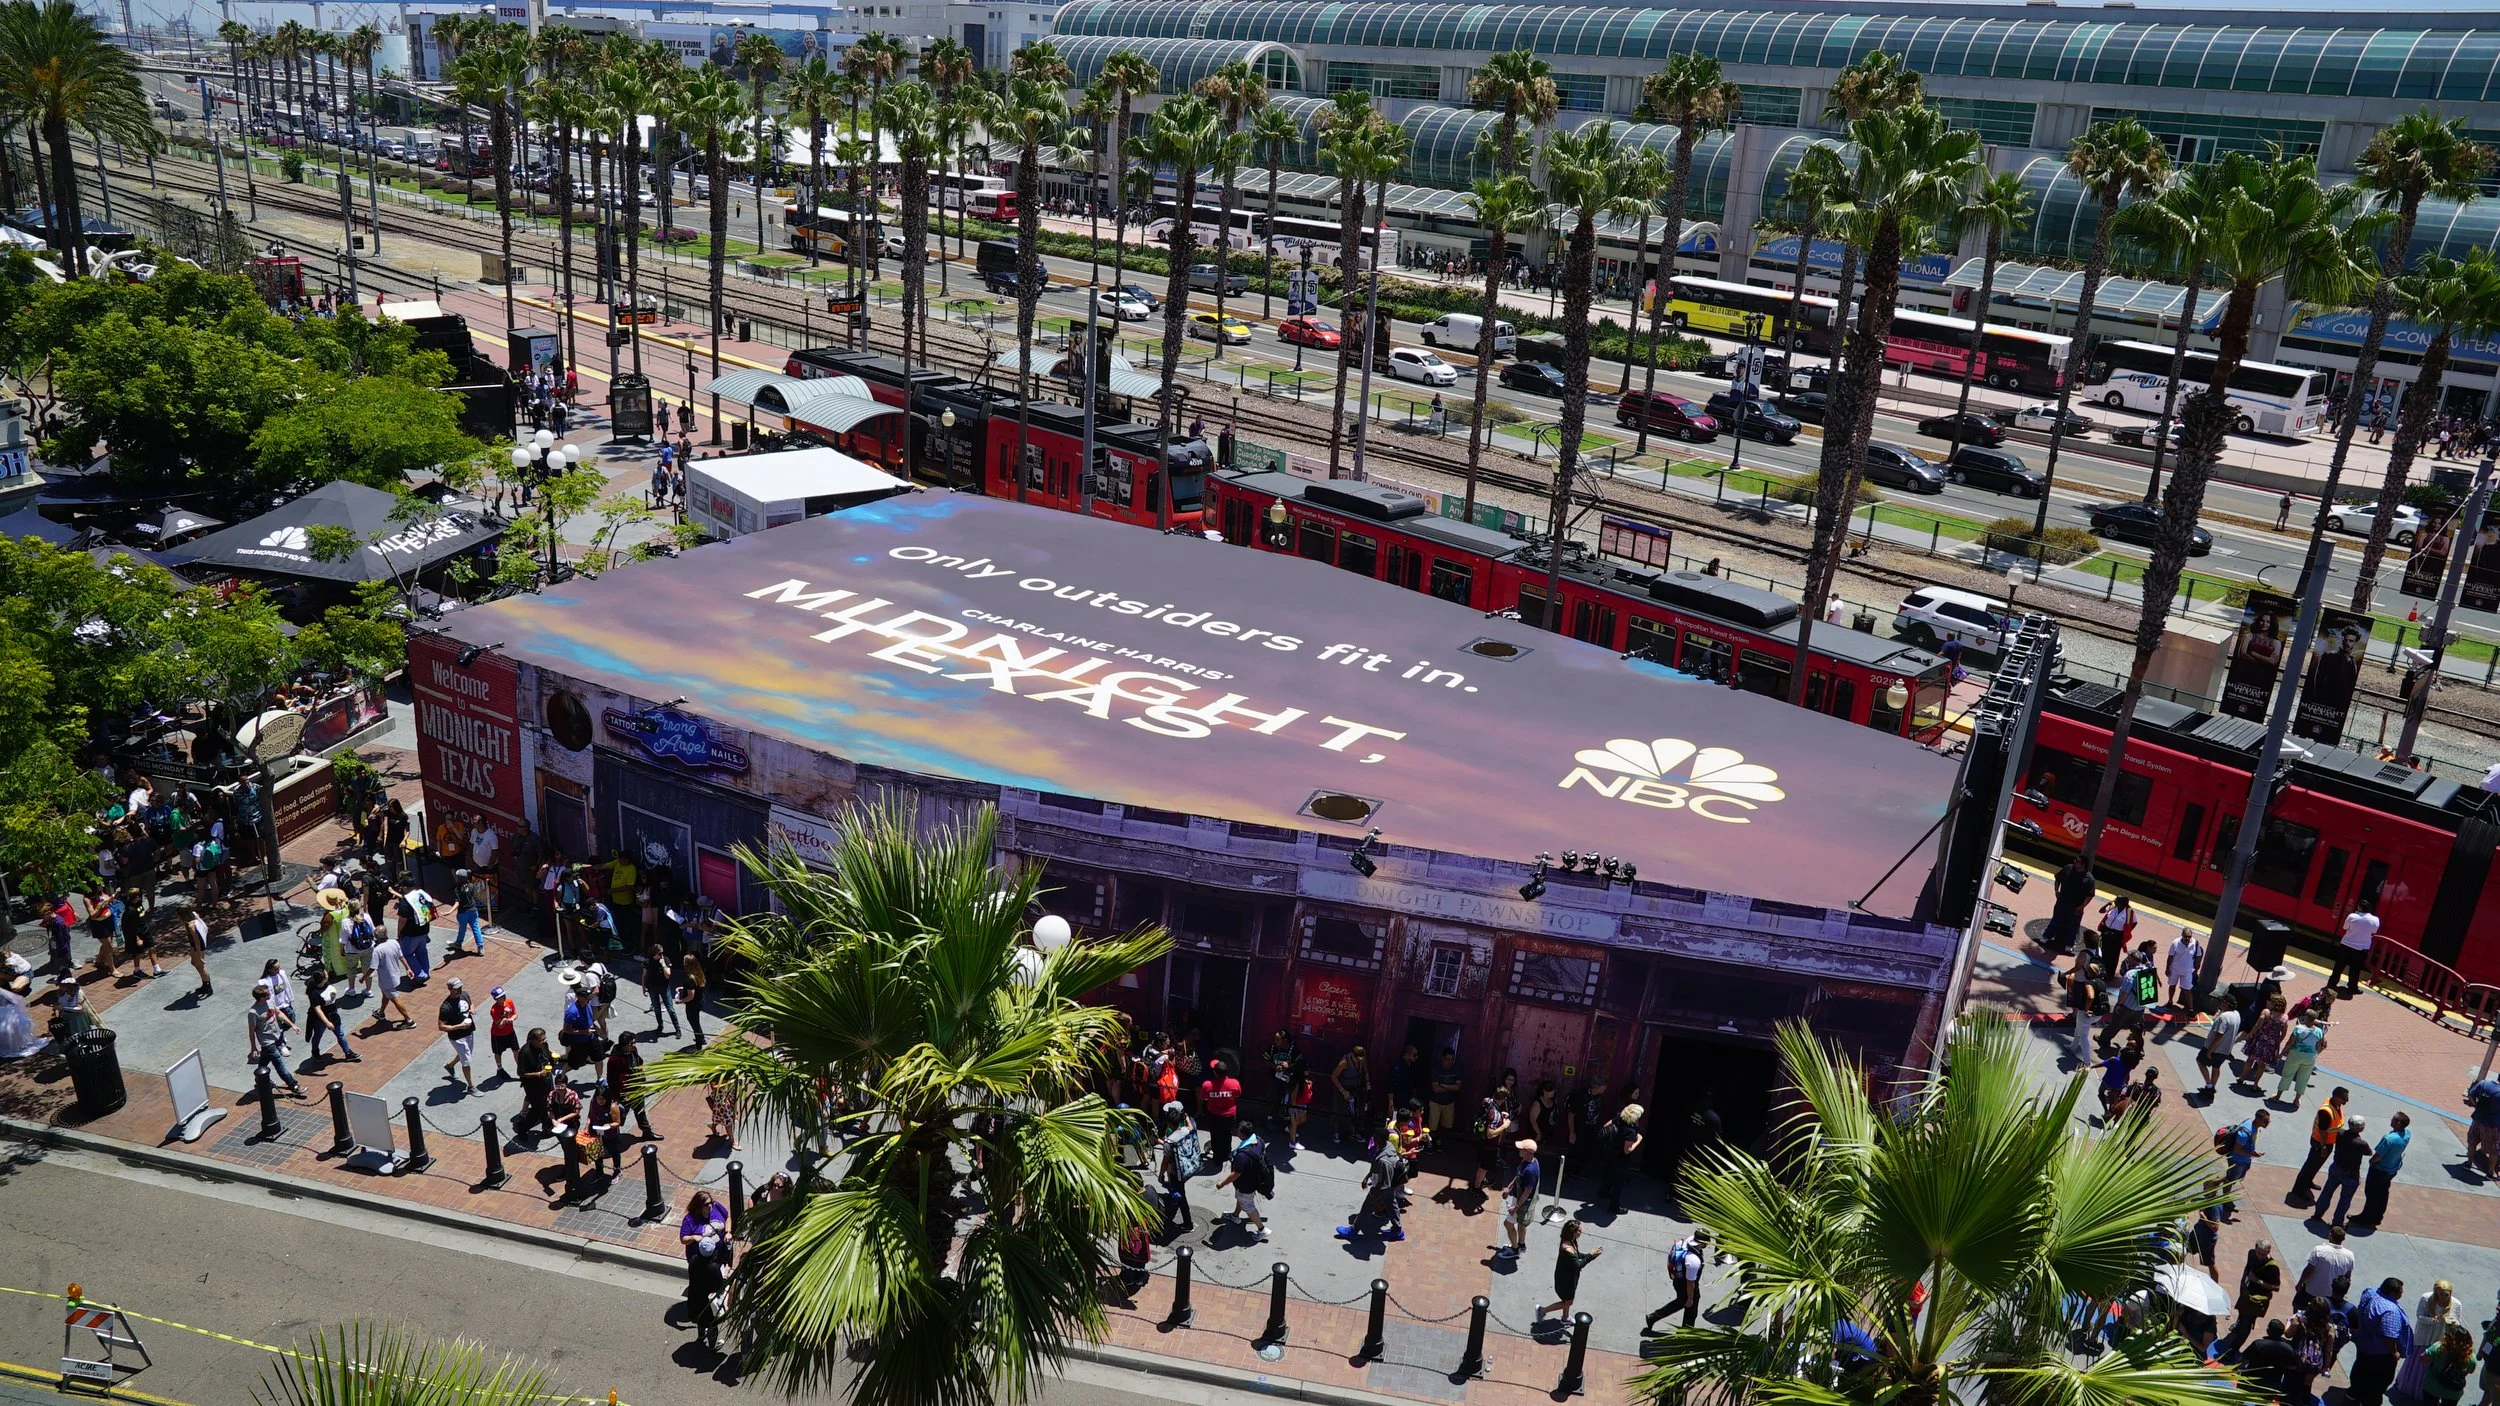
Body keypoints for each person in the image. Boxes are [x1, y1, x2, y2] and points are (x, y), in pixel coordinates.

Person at [679, 1190, 733, 1353]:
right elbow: (719, 1285)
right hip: (708, 1297)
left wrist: (728, 1232)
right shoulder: (713, 1268)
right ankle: (712, 1344)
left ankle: (701, 1335)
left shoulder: (694, 1263)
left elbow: (728, 1217)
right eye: (706, 1205)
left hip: (697, 1296)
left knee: (701, 1319)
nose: (710, 1207)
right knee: (711, 1320)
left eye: (710, 1204)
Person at [2350, 1278, 2416, 1406]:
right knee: (2379, 1381)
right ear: (2392, 1293)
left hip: (2363, 1343)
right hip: (2380, 1354)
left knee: (2360, 1368)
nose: (2402, 1294)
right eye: (2400, 1292)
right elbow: (2389, 1336)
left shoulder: (2370, 1292)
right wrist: (2395, 1352)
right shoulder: (2390, 1311)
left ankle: (2354, 1393)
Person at [2399, 1283, 2469, 1399]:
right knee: (2418, 1362)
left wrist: (2449, 1322)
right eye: (2440, 1294)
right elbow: (2420, 1316)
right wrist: (2432, 1320)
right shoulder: (2426, 1298)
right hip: (2425, 1335)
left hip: (2440, 1337)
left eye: (2446, 1295)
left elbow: (2457, 1322)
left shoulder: (2456, 1303)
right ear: (2436, 1292)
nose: (2443, 1298)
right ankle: (2412, 1388)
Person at [1334, 1136, 1408, 1242]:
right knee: (1392, 1205)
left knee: (1366, 1208)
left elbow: (1384, 1181)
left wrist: (1374, 1190)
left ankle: (1353, 1231)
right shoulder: (1388, 1147)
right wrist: (1367, 1177)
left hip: (1382, 1188)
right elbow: (1375, 1167)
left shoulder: (1384, 1160)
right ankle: (1397, 1231)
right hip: (1390, 1186)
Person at [246, 980, 306, 1098]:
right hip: (267, 1042)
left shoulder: (270, 1002)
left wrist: (292, 1025)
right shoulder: (253, 1012)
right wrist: (253, 1047)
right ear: (261, 998)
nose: (270, 995)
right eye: (268, 994)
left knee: (264, 1061)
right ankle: (293, 1086)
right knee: (279, 1065)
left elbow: (278, 1014)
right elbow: (251, 1031)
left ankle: (259, 1078)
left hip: (277, 1037)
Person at [1212, 1119, 1270, 1242]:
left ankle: (1262, 1229)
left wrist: (1222, 1184)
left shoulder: (1242, 1156)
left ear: (1242, 1134)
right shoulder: (1259, 1140)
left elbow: (1236, 1174)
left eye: (1238, 1131)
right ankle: (1235, 1216)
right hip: (1253, 1180)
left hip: (1246, 1185)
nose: (1236, 1132)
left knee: (1248, 1206)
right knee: (1241, 1199)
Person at [2290, 1087, 2350, 1205]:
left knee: (2316, 1165)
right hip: (2320, 1143)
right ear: (2336, 1097)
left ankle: (2308, 1182)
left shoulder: (2336, 1105)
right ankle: (2299, 1189)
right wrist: (2323, 1147)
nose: (2346, 1101)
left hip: (2329, 1142)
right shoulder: (2326, 1111)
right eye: (2344, 1099)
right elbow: (2323, 1131)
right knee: (2310, 1166)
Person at [2352, 1110, 2412, 1228]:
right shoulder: (2407, 1134)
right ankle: (2377, 1216)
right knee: (2383, 1194)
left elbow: (2378, 1156)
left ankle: (2366, 1217)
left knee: (2371, 1194)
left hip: (2379, 1170)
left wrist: (2371, 1161)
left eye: (2393, 1119)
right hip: (2392, 1169)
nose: (2391, 1120)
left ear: (2398, 1123)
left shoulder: (2389, 1139)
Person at [1535, 1219, 1601, 1323]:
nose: (1581, 1232)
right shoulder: (1567, 1248)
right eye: (1579, 1230)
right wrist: (1590, 1256)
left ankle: (1565, 1318)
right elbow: (1578, 1264)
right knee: (1568, 1302)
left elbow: (1577, 1256)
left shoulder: (1571, 1241)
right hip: (1566, 1281)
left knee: (1567, 1301)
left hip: (1568, 1278)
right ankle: (1542, 1310)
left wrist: (1591, 1256)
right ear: (1573, 1232)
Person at [1644, 1231, 1709, 1333]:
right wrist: (1690, 1298)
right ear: (1703, 1243)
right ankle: (1684, 1335)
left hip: (1678, 1281)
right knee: (1690, 1311)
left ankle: (1653, 1317)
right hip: (1686, 1285)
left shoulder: (1689, 1240)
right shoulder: (1693, 1261)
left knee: (1680, 1303)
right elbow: (1690, 1282)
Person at [2225, 1242, 2281, 1360]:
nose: (2260, 1255)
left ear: (2268, 1252)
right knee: (2242, 1314)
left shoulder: (2273, 1267)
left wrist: (2257, 1281)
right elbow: (2247, 1268)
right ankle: (2238, 1324)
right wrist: (2242, 1283)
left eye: (2263, 1253)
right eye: (2258, 1252)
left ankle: (2233, 1349)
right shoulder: (2251, 1254)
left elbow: (2276, 1287)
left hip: (2256, 1300)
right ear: (2255, 1249)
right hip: (2246, 1292)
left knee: (2246, 1325)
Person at [2318, 1115, 2372, 1226]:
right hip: (2351, 1174)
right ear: (2360, 1128)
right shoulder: (2361, 1143)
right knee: (2345, 1199)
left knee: (2327, 1192)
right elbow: (2369, 1152)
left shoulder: (2340, 1133)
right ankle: (2337, 1223)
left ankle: (2318, 1213)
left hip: (2336, 1168)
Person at [604, 1035, 658, 1141]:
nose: (634, 1045)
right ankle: (610, 1136)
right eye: (631, 1043)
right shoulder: (614, 1060)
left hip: (636, 1089)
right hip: (624, 1093)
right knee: (619, 1115)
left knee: (640, 1111)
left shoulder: (633, 1051)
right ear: (624, 1045)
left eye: (634, 1042)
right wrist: (619, 1095)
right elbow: (612, 1080)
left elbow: (638, 1063)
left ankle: (647, 1132)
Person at [2294, 1225, 2354, 1312]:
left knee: (2298, 1307)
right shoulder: (2350, 1255)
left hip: (2311, 1290)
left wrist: (2300, 1283)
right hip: (2330, 1295)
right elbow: (2347, 1277)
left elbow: (2309, 1269)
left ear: (2330, 1235)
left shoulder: (2318, 1250)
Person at [1599, 1102, 1644, 1215]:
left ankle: (1603, 1192)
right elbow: (1627, 1150)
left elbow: (1607, 1126)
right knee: (1619, 1183)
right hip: (1621, 1158)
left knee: (1610, 1174)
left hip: (1611, 1153)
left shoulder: (1620, 1117)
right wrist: (1638, 1140)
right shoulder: (1630, 1130)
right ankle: (1614, 1206)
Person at [1498, 1137, 1541, 1258]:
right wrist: (1509, 1187)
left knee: (1508, 1224)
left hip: (1521, 1202)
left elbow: (1527, 1191)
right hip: (1519, 1199)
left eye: (1521, 1148)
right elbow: (1518, 1176)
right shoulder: (1528, 1161)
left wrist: (1516, 1207)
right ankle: (1521, 1245)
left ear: (1528, 1152)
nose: (1518, 1150)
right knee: (1522, 1225)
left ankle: (1515, 1249)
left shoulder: (1531, 1170)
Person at [365, 927, 414, 1032]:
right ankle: (381, 1012)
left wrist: (363, 977)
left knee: (395, 998)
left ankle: (409, 1020)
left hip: (387, 979)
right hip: (395, 975)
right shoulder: (394, 942)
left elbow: (373, 967)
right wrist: (408, 968)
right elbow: (401, 956)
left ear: (376, 936)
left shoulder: (377, 950)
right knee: (385, 994)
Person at [2239, 1319, 2303, 1398]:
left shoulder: (2258, 1344)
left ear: (2268, 1331)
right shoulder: (2289, 1349)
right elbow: (2292, 1367)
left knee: (2239, 1399)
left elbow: (2243, 1361)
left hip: (2250, 1381)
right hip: (2271, 1386)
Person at [2275, 1011, 2328, 1106]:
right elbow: (2320, 1045)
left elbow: (2290, 1042)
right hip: (2310, 1056)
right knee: (2304, 1078)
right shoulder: (2319, 1031)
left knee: (2287, 1074)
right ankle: (2296, 1100)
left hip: (2296, 1054)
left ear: (2306, 1017)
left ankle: (2278, 1096)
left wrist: (2282, 1053)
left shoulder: (2298, 1029)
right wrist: (2316, 1054)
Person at [2044, 857, 2094, 953]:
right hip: (2062, 903)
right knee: (2055, 921)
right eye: (2075, 860)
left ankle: (2069, 944)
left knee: (2073, 927)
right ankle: (2046, 936)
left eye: (2078, 861)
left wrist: (2082, 906)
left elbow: (2090, 895)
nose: (2075, 862)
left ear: (2083, 865)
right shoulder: (2067, 869)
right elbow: (2057, 879)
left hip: (2076, 908)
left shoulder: (2089, 879)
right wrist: (2056, 891)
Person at [302, 977, 357, 1065]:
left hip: (333, 1014)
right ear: (322, 980)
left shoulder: (327, 984)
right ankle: (315, 1052)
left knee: (340, 1034)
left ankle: (348, 1053)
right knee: (318, 1035)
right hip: (320, 1018)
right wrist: (327, 1022)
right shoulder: (314, 993)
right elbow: (317, 1010)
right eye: (326, 974)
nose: (328, 974)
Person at [1200, 1059, 1243, 1168]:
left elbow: (1203, 1097)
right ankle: (1227, 1153)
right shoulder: (1234, 1083)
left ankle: (1217, 1157)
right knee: (1227, 1134)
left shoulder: (1207, 1085)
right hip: (1229, 1115)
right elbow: (1238, 1094)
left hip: (1214, 1115)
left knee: (1215, 1136)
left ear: (1215, 1072)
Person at [437, 977, 477, 1092]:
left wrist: (472, 1009)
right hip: (457, 1036)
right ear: (450, 989)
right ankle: (470, 1086)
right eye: (456, 988)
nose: (459, 989)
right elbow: (441, 1026)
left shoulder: (465, 994)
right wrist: (458, 1026)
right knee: (466, 1060)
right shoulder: (446, 1007)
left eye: (460, 987)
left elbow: (471, 1003)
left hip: (469, 1032)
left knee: (465, 1054)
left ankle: (450, 1066)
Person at [2332, 901, 2379, 996]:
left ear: (2359, 907)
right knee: (2355, 969)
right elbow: (2374, 931)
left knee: (2339, 966)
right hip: (2361, 949)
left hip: (2346, 945)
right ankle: (2352, 987)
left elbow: (2345, 927)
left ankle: (2332, 984)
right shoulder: (2375, 920)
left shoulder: (2352, 916)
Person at [515, 1028, 556, 1134]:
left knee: (545, 1104)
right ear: (532, 1041)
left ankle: (547, 1126)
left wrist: (553, 1058)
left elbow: (548, 1056)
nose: (544, 1041)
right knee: (538, 1108)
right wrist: (538, 1074)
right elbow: (520, 1073)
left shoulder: (544, 1045)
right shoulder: (525, 1052)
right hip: (533, 1085)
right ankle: (523, 1127)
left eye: (544, 1039)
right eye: (540, 1040)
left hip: (546, 1080)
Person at [2198, 1000, 2243, 1094]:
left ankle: (2209, 1086)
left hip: (2215, 1049)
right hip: (2226, 1049)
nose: (2219, 1004)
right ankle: (2212, 1087)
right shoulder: (2236, 1014)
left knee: (2200, 1061)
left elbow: (2219, 1035)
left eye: (2222, 1002)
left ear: (2227, 1004)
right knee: (2216, 1067)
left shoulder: (2224, 1017)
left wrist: (2210, 1050)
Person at [1329, 1044, 1369, 1144]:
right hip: (1342, 1088)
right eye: (1358, 1060)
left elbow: (1365, 1071)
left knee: (1353, 1112)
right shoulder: (1344, 1062)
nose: (1359, 1061)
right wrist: (1343, 1091)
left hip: (1354, 1089)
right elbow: (1333, 1077)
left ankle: (1353, 1133)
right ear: (1352, 1055)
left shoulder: (1362, 1059)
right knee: (1338, 1111)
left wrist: (1368, 1082)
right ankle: (1336, 1132)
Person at [2466, 1073, 2500, 1177]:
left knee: (2472, 1141)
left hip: (2477, 1119)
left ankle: (2468, 1163)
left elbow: (2470, 1095)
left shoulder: (2483, 1084)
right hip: (2492, 1125)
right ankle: (2490, 1172)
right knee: (2495, 1149)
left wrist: (2477, 1106)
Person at [2096, 894, 2139, 974]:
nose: (2115, 901)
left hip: (2117, 936)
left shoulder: (2129, 912)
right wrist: (2108, 904)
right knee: (2102, 952)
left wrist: (2127, 931)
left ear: (2123, 903)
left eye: (2117, 900)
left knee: (2113, 956)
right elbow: (2101, 911)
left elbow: (2134, 922)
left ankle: (2109, 973)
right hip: (2106, 933)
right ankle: (2100, 970)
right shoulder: (2112, 907)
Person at [2166, 929, 2204, 1010]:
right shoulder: (2175, 943)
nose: (2187, 938)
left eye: (2189, 937)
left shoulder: (2195, 943)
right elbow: (2170, 956)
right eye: (2185, 936)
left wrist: (2196, 969)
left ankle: (2191, 1009)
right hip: (2175, 969)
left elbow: (2198, 956)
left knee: (2187, 990)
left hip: (2187, 972)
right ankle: (2170, 1001)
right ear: (2182, 935)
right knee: (2172, 986)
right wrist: (2167, 968)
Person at [487, 985, 519, 1079]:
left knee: (516, 1050)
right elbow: (500, 1025)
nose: (503, 998)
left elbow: (516, 1014)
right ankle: (500, 1068)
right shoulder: (494, 1010)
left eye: (504, 995)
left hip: (510, 1032)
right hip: (498, 1035)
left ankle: (520, 1068)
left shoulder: (509, 1002)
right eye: (501, 997)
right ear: (496, 999)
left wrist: (512, 1018)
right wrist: (505, 1016)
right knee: (498, 1053)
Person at [180, 906, 212, 997]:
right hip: (193, 945)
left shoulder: (191, 926)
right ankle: (205, 983)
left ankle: (207, 986)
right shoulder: (193, 915)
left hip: (198, 947)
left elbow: (197, 942)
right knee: (194, 963)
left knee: (200, 966)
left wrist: (200, 956)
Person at [677, 951, 708, 1047]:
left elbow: (690, 996)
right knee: (696, 1022)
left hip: (693, 1005)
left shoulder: (689, 980)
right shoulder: (699, 973)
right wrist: (683, 988)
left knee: (694, 1024)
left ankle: (698, 1046)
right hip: (700, 1001)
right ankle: (701, 1039)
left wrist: (680, 1001)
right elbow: (696, 987)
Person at [1428, 1047, 1462, 1134]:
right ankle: (1431, 1142)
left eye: (1452, 1059)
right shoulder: (1436, 1069)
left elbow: (1458, 1087)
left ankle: (1440, 1141)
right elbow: (1436, 1089)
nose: (1450, 1062)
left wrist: (1443, 1086)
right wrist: (1452, 1087)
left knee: (1446, 1126)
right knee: (1432, 1126)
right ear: (1442, 1058)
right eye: (1448, 1059)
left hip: (1449, 1103)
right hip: (1436, 1102)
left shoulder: (1456, 1069)